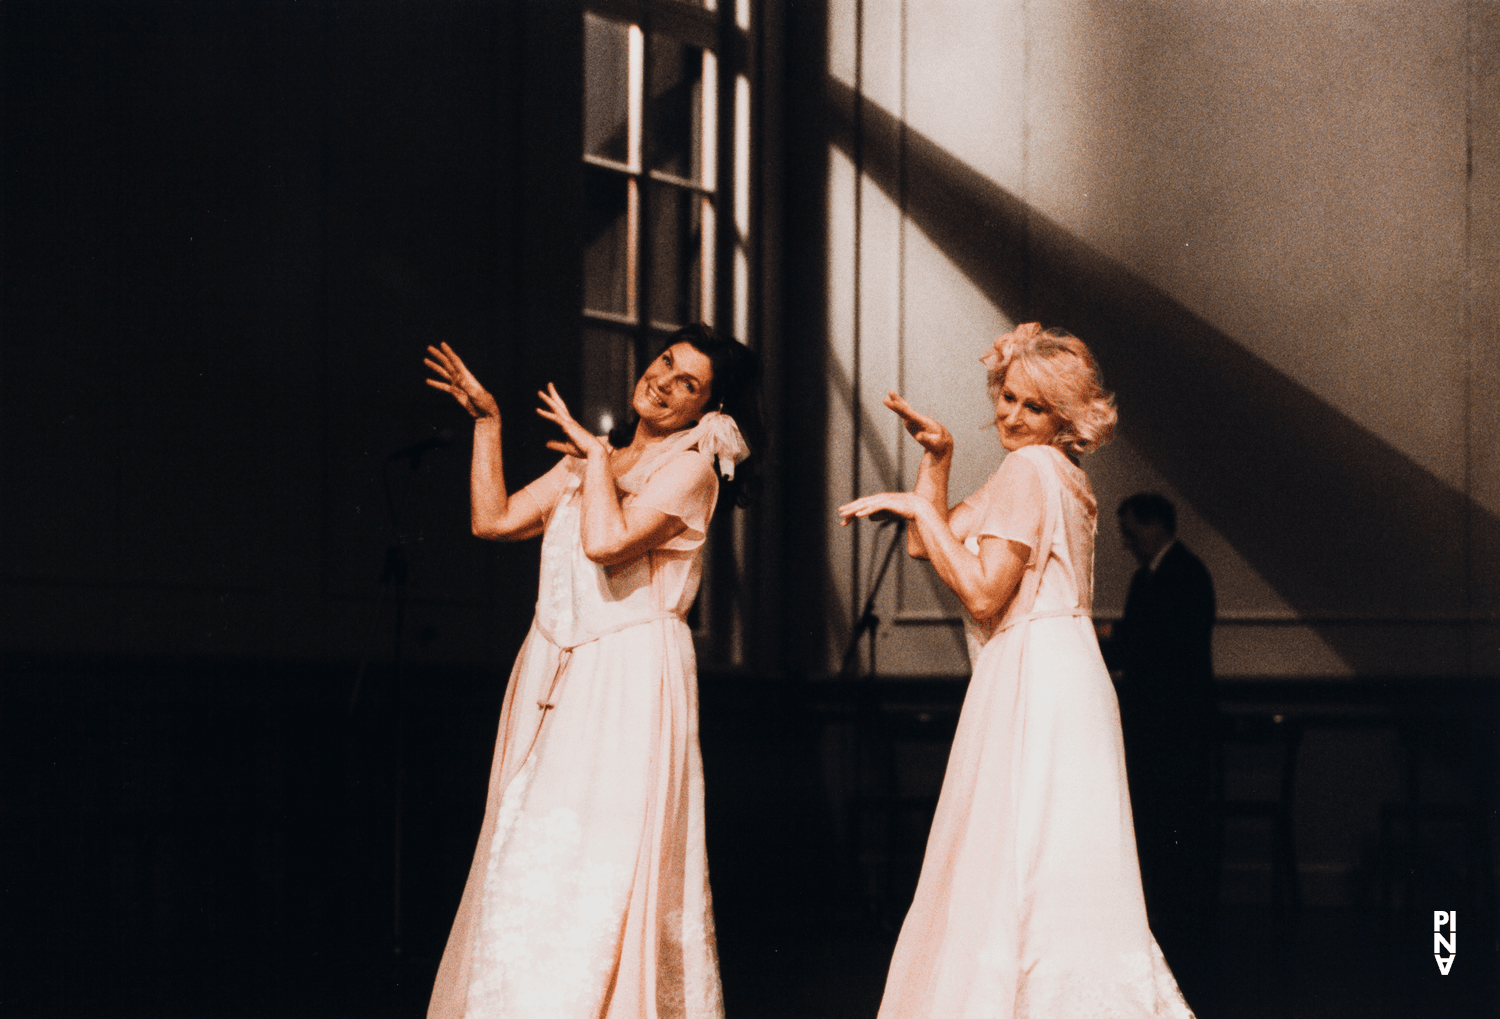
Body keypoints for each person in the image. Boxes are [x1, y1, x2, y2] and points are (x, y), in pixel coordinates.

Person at [840, 323, 1193, 1019]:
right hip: (1061, 671)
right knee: (1049, 864)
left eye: (1033, 406)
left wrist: (915, 503)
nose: (1010, 415)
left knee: (1017, 857)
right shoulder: (1057, 472)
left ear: (1063, 417)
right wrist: (937, 460)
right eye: (1006, 397)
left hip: (1038, 675)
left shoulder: (1031, 469)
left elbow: (976, 590)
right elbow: (926, 546)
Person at [423, 323, 760, 1019]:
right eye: (666, 362)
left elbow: (607, 544)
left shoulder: (693, 464)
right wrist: (490, 422)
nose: (663, 381)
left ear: (708, 408)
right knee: (525, 843)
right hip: (554, 663)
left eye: (687, 382)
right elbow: (494, 519)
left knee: (596, 858)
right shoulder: (592, 457)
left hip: (627, 676)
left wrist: (596, 460)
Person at [1101, 493, 1217, 992]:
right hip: (1158, 721)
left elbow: (1167, 645)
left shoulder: (1186, 574)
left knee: (1177, 817)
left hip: (1177, 723)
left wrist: (1113, 639)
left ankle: (1180, 918)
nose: (1127, 543)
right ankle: (1169, 914)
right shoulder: (1150, 576)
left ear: (1156, 526)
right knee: (1160, 816)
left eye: (1131, 532)